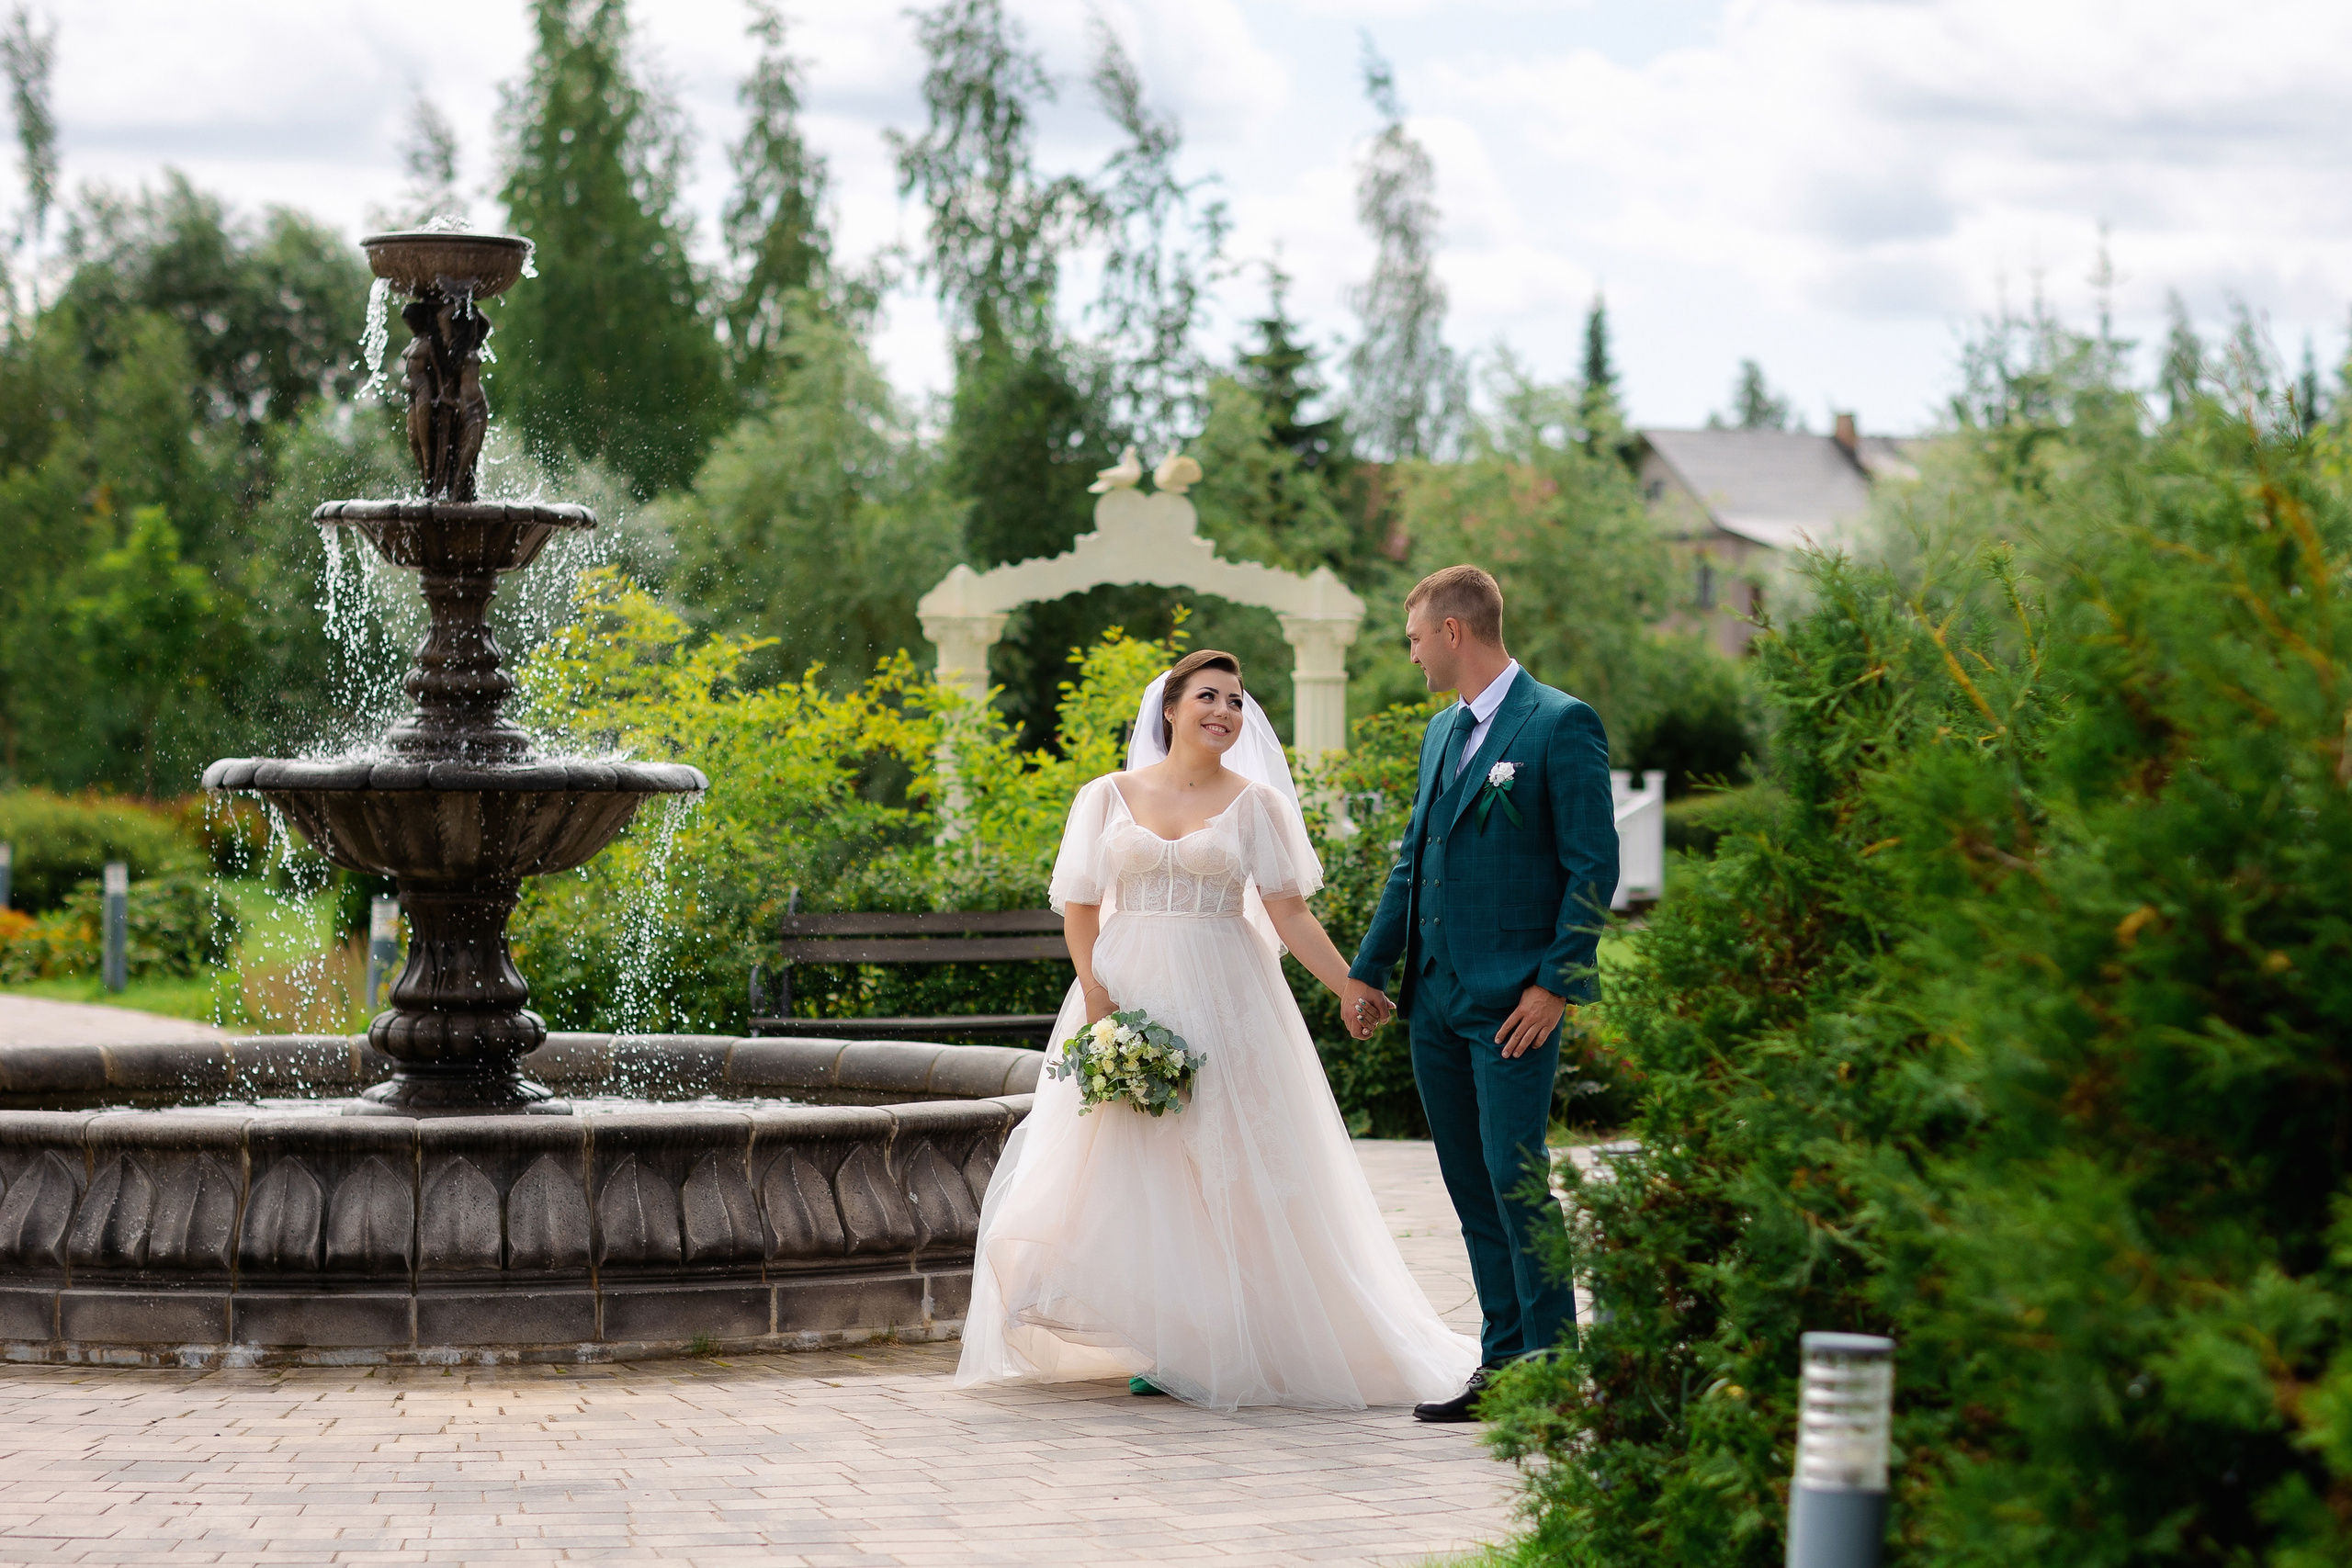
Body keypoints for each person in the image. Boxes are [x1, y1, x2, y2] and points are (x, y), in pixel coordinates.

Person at [955, 649, 1480, 1411]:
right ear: (1169, 709)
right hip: (1126, 990)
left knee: (1229, 1160)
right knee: (1134, 1163)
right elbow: (1078, 908)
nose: (1225, 712)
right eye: (1209, 697)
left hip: (1226, 995)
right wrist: (1099, 997)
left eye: (1236, 700)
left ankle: (1235, 1337)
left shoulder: (1256, 804)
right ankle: (1169, 1338)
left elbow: (1288, 912)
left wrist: (1351, 985)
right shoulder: (1104, 797)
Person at [1341, 565, 1618, 1423]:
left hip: (1514, 1006)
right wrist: (1369, 968)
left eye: (1416, 637)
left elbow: (1591, 865)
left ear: (1454, 631)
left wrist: (1556, 986)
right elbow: (1410, 861)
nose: (1412, 653)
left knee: (1514, 1174)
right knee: (1468, 1184)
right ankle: (1503, 1364)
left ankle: (1554, 1371)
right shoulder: (1439, 734)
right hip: (1436, 1001)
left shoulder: (1561, 723)